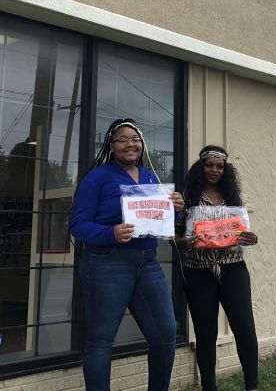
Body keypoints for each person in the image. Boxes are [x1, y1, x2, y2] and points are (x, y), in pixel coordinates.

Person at [70, 118, 184, 391]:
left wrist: (177, 207)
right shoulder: (97, 178)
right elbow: (77, 224)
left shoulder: (149, 177)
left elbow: (159, 218)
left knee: (166, 334)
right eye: (122, 139)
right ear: (111, 146)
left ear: (142, 145)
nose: (130, 143)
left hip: (147, 262)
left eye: (135, 138)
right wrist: (110, 233)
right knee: (100, 340)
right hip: (106, 263)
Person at [175, 145, 259, 391]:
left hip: (233, 268)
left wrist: (252, 238)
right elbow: (175, 235)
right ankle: (208, 387)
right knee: (205, 333)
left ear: (226, 169)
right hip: (197, 271)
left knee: (244, 327)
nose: (214, 170)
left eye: (219, 166)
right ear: (201, 167)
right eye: (209, 165)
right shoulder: (187, 199)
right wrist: (181, 242)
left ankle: (252, 386)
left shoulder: (233, 199)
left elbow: (244, 232)